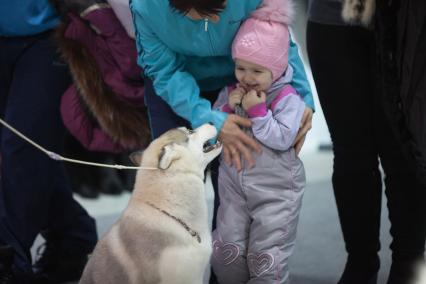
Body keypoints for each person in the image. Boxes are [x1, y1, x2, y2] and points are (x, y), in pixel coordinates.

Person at [306, 0, 426, 283]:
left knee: (404, 148)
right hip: (332, 20)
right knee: (351, 153)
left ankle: (408, 264)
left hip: (404, 18)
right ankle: (360, 262)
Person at [0, 1, 98, 283]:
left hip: (51, 36)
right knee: (28, 156)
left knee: (23, 148)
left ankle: (9, 263)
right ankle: (73, 236)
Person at [210, 1, 305, 282]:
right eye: (241, 68)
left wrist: (257, 113)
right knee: (225, 251)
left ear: (276, 69)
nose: (247, 79)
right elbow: (214, 130)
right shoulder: (231, 92)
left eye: (257, 71)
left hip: (276, 194)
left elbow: (282, 138)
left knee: (265, 258)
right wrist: (227, 110)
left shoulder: (288, 98)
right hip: (234, 190)